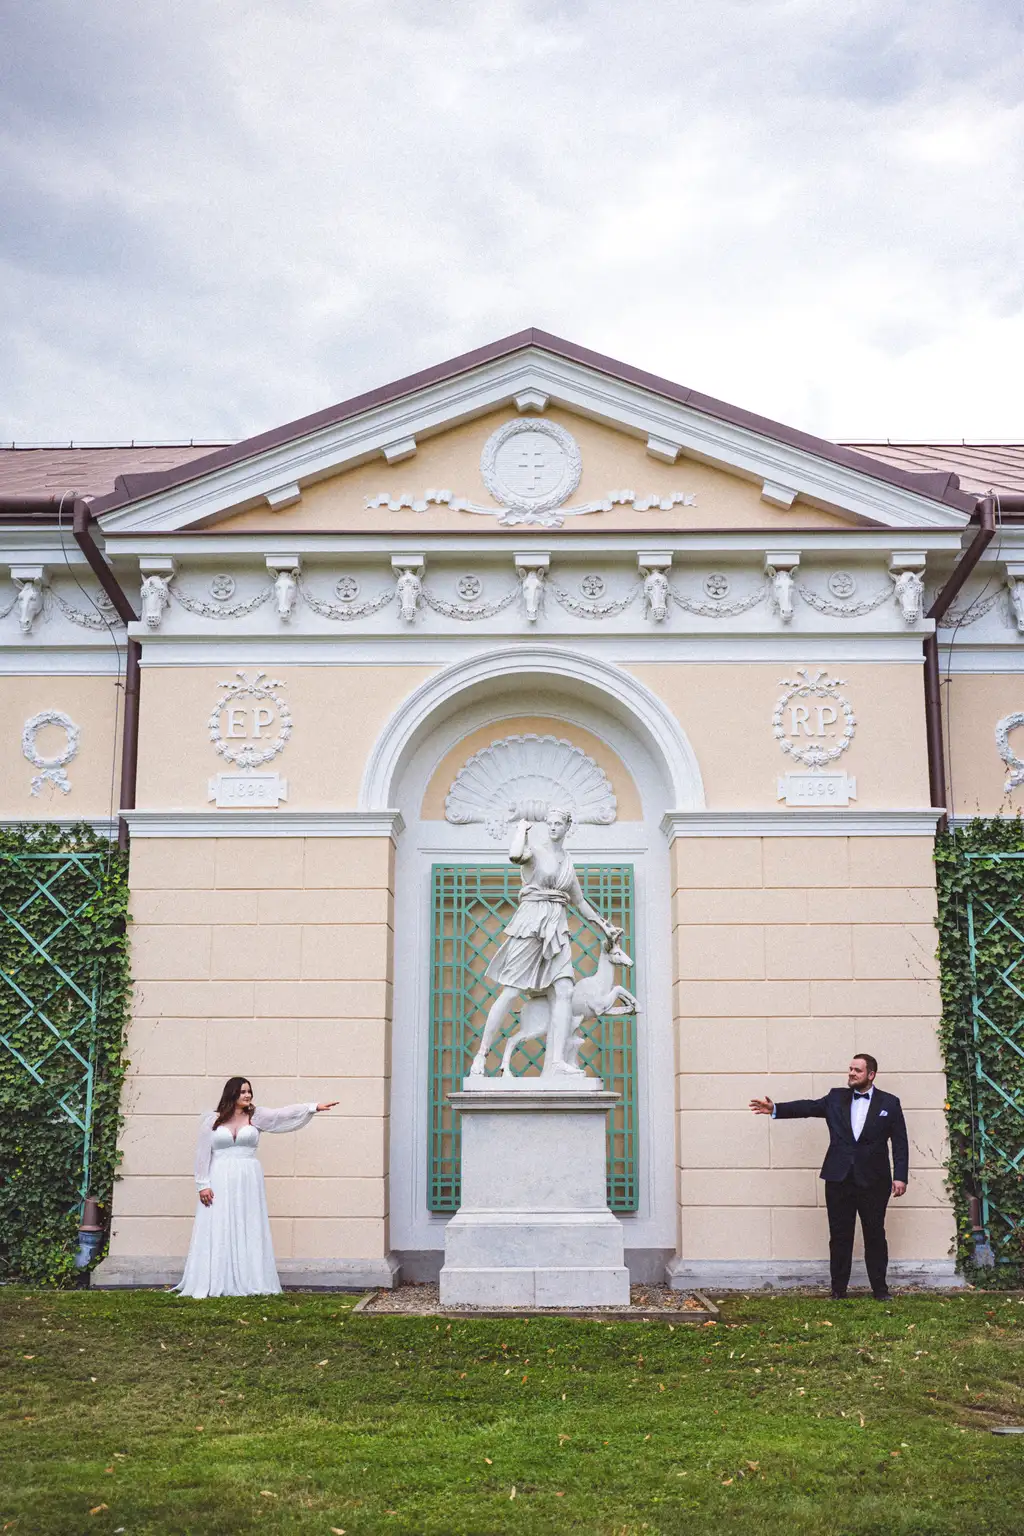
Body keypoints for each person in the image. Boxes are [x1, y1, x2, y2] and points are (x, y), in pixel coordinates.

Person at [469, 807, 620, 1077]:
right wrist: (521, 830)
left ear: (567, 827)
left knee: (565, 991)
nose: (552, 827)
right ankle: (481, 1055)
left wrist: (603, 925)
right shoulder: (536, 852)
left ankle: (557, 1061)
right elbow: (515, 855)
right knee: (511, 991)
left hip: (557, 929)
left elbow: (579, 901)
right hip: (531, 924)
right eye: (549, 823)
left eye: (558, 823)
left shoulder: (568, 862)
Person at [749, 1053, 908, 1300]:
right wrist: (776, 1109)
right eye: (850, 1069)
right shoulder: (836, 1097)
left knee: (875, 1234)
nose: (851, 1073)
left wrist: (900, 1176)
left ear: (871, 1075)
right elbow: (808, 1107)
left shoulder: (890, 1103)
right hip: (838, 1178)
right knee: (840, 1235)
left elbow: (900, 1142)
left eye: (857, 1070)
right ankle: (838, 1290)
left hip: (874, 1180)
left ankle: (880, 1289)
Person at [175, 1076, 338, 1298]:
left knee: (247, 1222)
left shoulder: (256, 1116)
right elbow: (202, 1153)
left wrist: (313, 1107)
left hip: (248, 1178)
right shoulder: (212, 1120)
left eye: (249, 1091)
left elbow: (282, 1114)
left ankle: (250, 1278)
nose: (247, 1095)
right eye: (242, 1091)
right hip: (219, 1176)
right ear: (232, 1093)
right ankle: (216, 1278)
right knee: (219, 1222)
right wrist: (202, 1184)